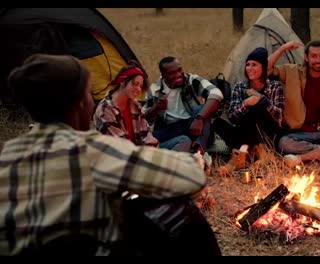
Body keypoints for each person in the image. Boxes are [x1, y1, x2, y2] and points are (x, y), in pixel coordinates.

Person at [0, 54, 220, 256]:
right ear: (79, 103)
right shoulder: (91, 149)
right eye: (88, 93)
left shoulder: (8, 154)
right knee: (167, 211)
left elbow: (146, 137)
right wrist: (193, 161)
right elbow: (191, 176)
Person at [267, 40, 320, 167]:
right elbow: (266, 69)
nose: (318, 60)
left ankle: (301, 158)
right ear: (306, 57)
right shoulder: (292, 72)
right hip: (300, 133)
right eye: (314, 56)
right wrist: (282, 48)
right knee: (284, 143)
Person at [212, 47, 285, 176]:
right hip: (245, 130)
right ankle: (254, 153)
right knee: (217, 123)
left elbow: (279, 118)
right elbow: (233, 117)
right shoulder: (240, 87)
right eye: (248, 65)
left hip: (267, 133)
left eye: (254, 65)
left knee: (256, 109)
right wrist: (245, 104)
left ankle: (240, 157)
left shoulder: (274, 86)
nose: (249, 68)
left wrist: (262, 100)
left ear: (263, 67)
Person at [93, 61, 190, 151]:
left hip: (141, 152)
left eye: (140, 86)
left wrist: (155, 151)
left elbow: (146, 135)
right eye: (135, 84)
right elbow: (121, 148)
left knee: (184, 140)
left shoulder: (134, 106)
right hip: (122, 159)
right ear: (122, 81)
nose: (138, 89)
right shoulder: (106, 109)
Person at [143, 56, 223, 154]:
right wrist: (155, 109)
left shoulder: (191, 80)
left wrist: (199, 118)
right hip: (169, 131)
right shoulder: (155, 89)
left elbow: (216, 93)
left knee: (202, 109)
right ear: (163, 75)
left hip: (192, 126)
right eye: (172, 73)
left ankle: (199, 153)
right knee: (153, 137)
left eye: (179, 70)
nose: (178, 75)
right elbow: (143, 118)